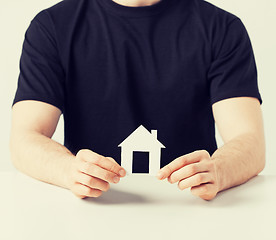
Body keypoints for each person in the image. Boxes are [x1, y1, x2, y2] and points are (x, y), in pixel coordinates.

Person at [10, 0, 265, 200]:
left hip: (191, 206)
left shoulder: (221, 28)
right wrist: (68, 170)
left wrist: (219, 170)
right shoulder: (52, 26)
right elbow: (25, 139)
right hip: (91, 209)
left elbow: (250, 142)